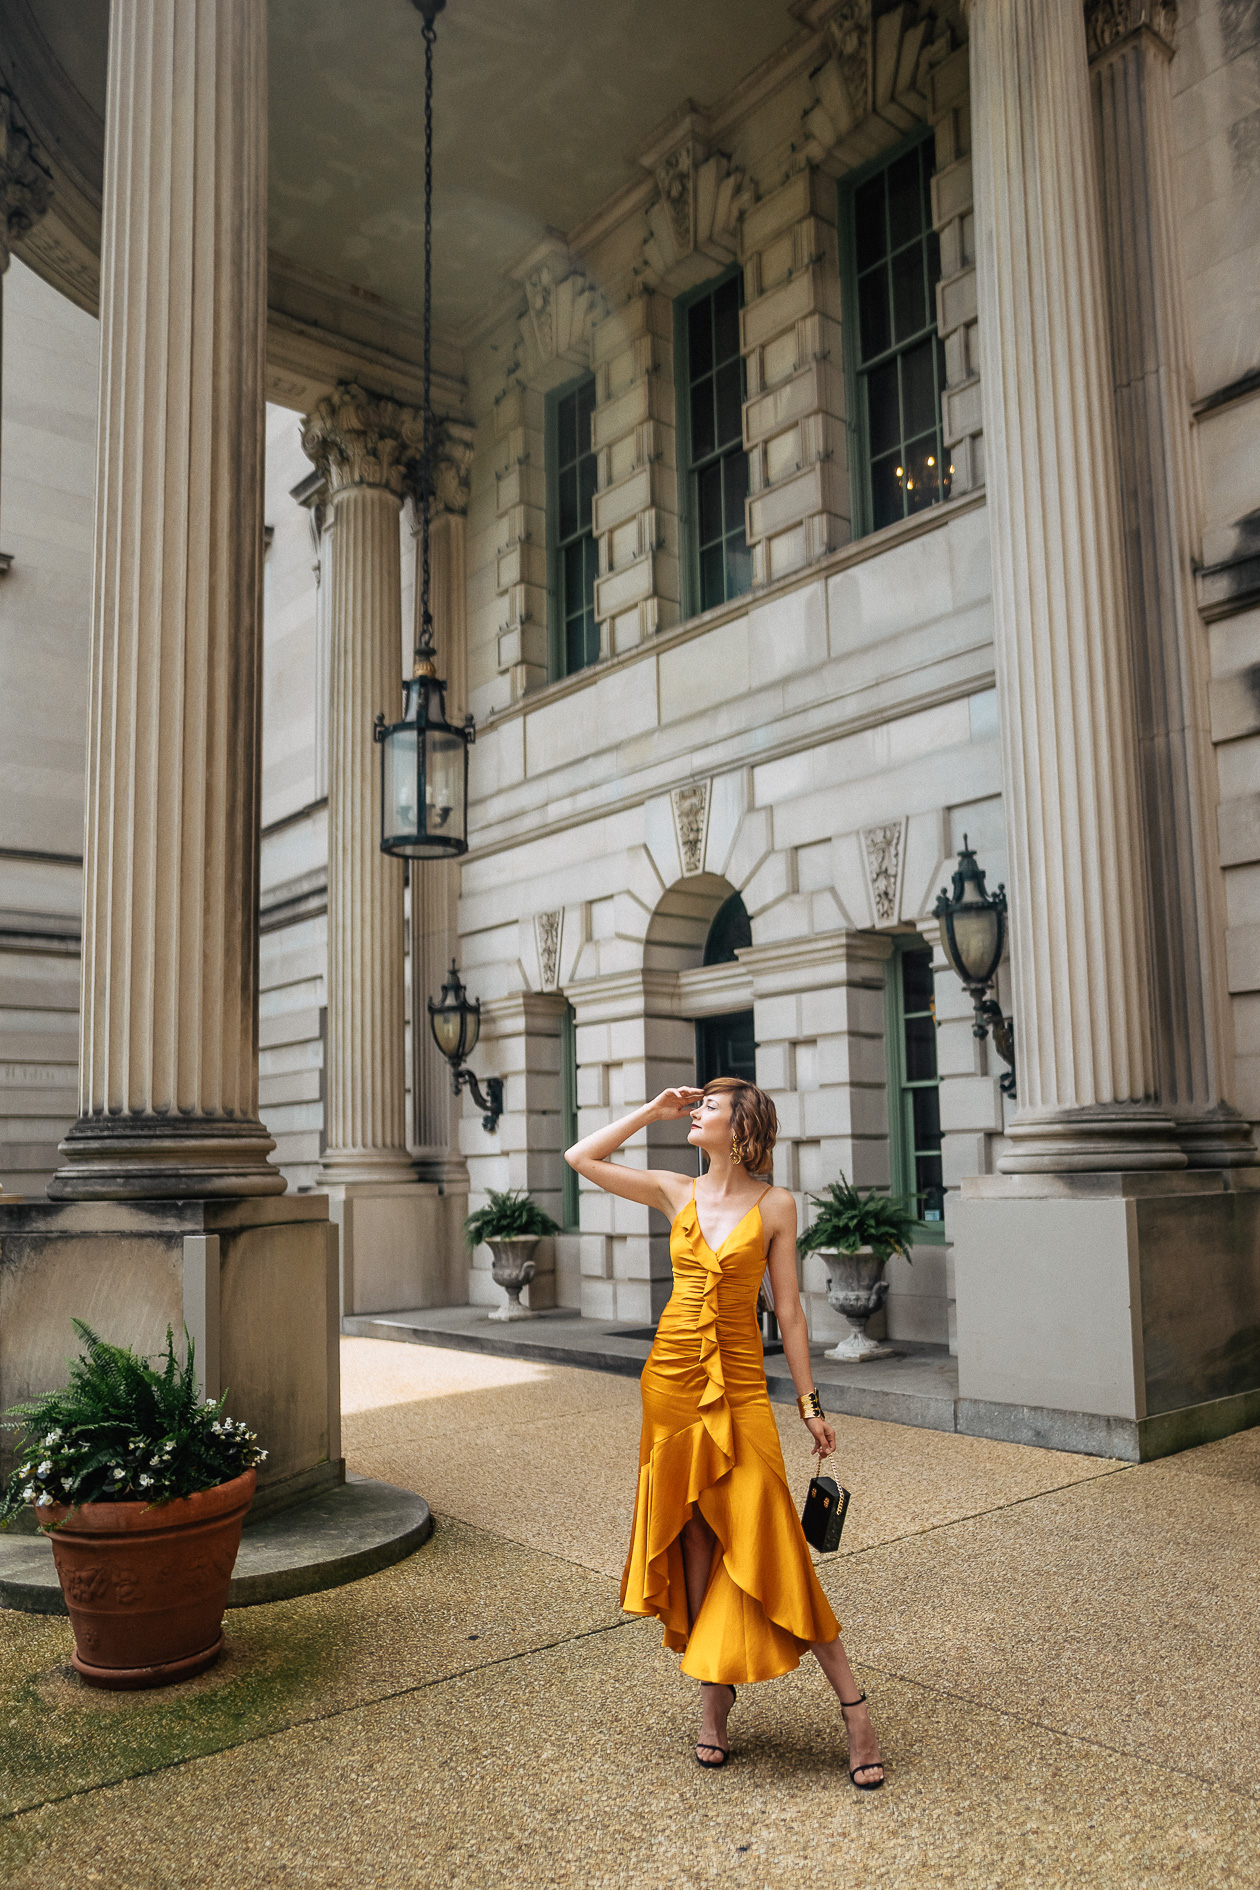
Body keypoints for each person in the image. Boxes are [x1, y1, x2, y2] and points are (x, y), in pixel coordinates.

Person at [565, 1076, 884, 1786]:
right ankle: (713, 1703)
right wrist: (652, 1110)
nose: (694, 1110)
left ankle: (855, 1709)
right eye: (696, 1103)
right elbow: (579, 1157)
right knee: (699, 1541)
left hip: (738, 1388)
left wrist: (809, 1405)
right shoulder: (674, 1190)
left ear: (742, 1128)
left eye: (708, 1105)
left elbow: (791, 1314)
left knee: (770, 1535)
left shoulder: (776, 1205)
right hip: (672, 1385)